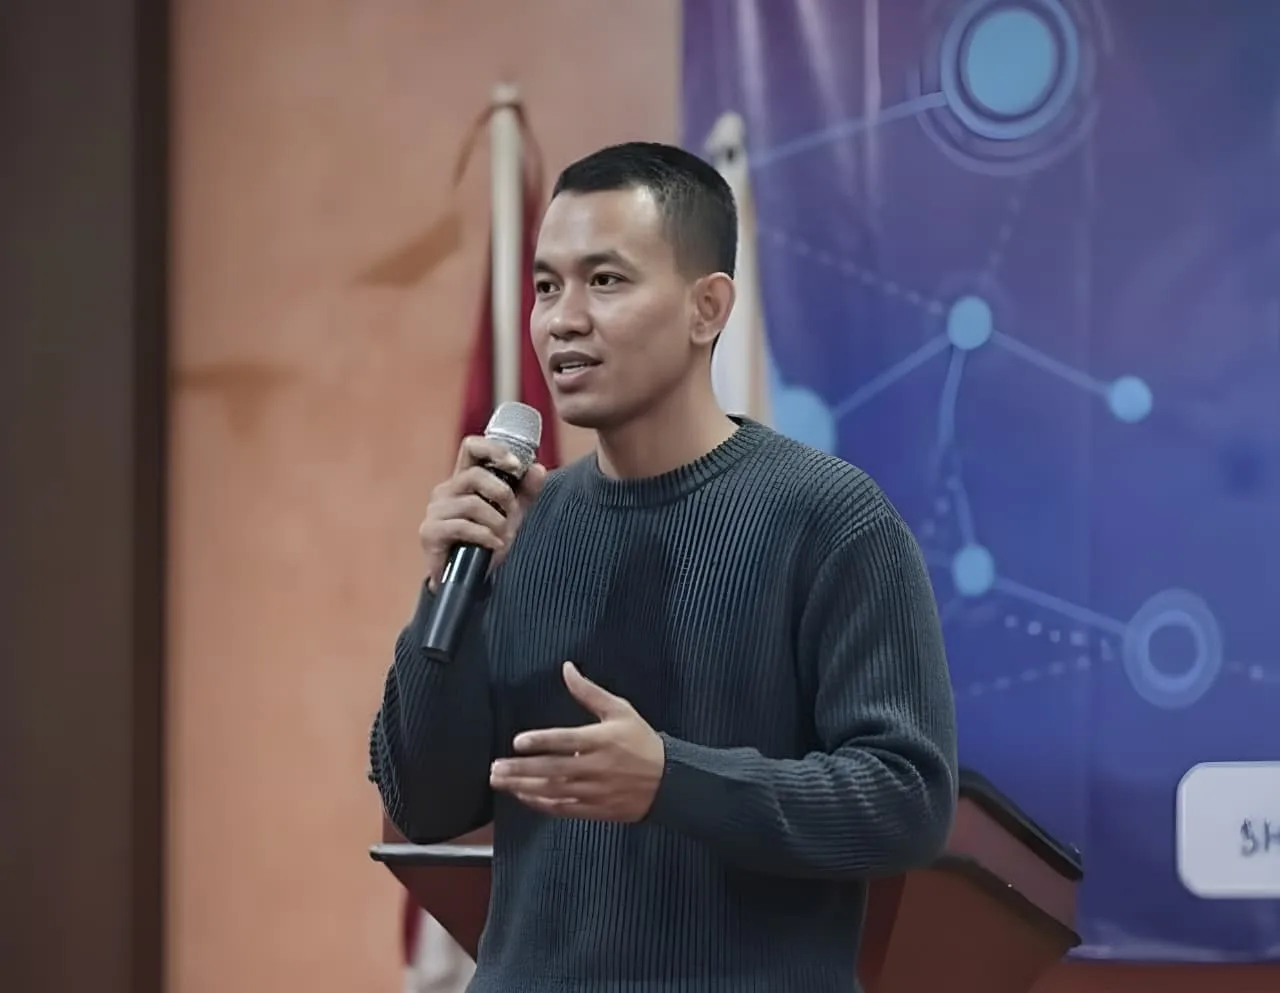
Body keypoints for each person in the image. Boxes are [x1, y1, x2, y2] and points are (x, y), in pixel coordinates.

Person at [368, 141, 958, 992]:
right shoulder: (523, 525)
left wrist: (671, 780)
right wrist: (444, 594)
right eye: (546, 286)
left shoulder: (830, 519)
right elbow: (424, 803)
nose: (563, 319)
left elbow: (907, 800)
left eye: (605, 280)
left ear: (707, 308)